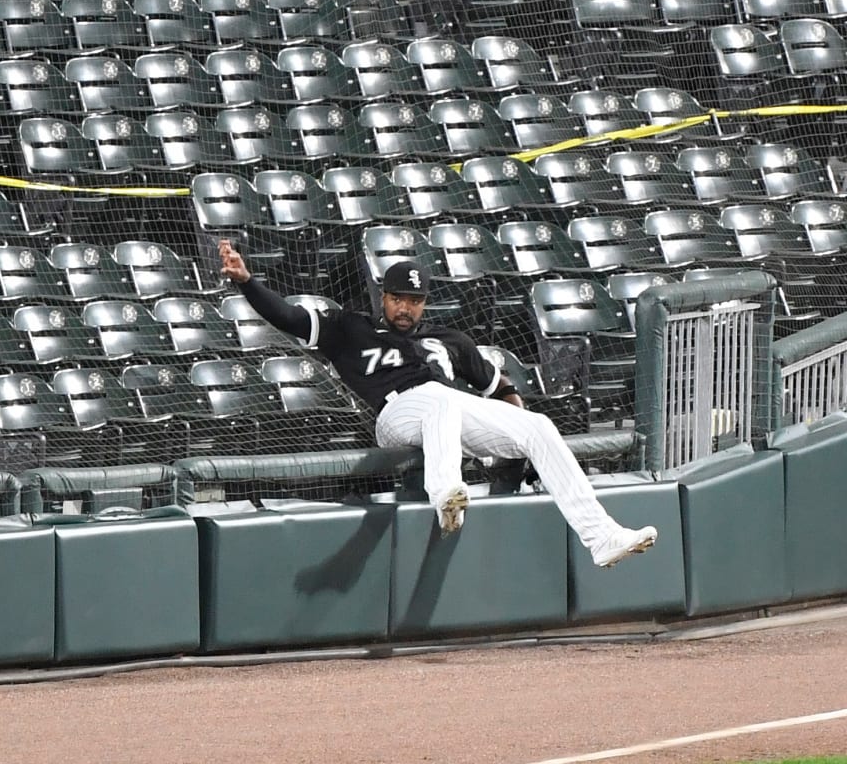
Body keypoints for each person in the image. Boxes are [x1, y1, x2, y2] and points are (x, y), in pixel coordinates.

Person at [218, 239, 657, 568]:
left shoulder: (451, 341)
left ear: (424, 303)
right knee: (440, 400)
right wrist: (246, 282)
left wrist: (514, 436)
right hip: (396, 415)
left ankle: (600, 538)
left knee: (538, 426)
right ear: (383, 298)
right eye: (397, 298)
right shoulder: (350, 328)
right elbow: (289, 317)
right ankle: (444, 492)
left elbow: (498, 389)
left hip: (447, 415)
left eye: (414, 300)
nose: (405, 307)